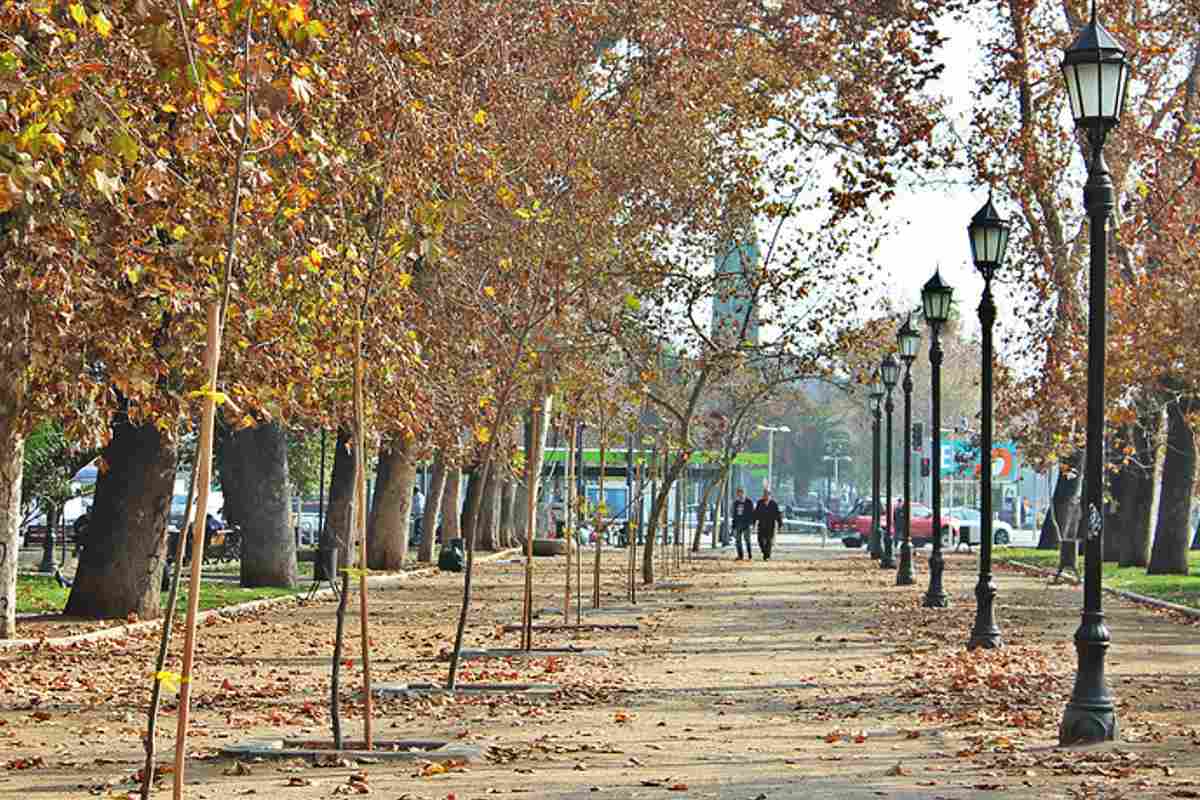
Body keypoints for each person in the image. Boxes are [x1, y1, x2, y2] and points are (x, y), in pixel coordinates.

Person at [754, 488, 783, 560]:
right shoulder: (759, 503)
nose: (765, 496)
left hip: (770, 525)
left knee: (769, 541)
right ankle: (765, 553)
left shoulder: (774, 504)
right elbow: (755, 513)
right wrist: (754, 522)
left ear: (770, 495)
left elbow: (778, 515)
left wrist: (780, 524)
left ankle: (767, 556)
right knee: (760, 540)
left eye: (767, 495)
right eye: (764, 495)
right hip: (761, 525)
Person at [731, 487, 755, 561]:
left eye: (741, 493)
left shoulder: (749, 502)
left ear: (744, 493)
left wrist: (751, 523)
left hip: (746, 524)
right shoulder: (736, 503)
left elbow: (752, 513)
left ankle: (750, 555)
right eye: (738, 493)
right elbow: (734, 514)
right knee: (738, 541)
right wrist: (733, 525)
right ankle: (740, 556)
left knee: (747, 540)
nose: (739, 495)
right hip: (738, 524)